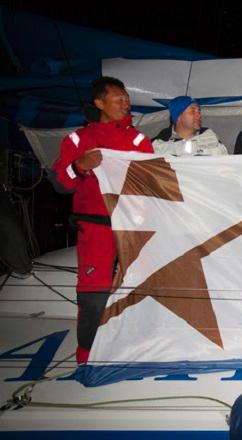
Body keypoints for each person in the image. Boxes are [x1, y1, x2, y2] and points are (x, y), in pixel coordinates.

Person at [49, 76, 154, 364]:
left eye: (127, 98)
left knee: (137, 290)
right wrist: (79, 166)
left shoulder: (138, 140)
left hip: (132, 228)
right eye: (118, 98)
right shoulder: (77, 140)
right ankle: (87, 357)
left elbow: (152, 184)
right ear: (100, 102)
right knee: (94, 294)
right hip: (95, 228)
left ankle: (135, 351)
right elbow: (60, 183)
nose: (126, 103)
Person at [152, 95, 228, 156]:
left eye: (199, 111)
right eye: (193, 111)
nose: (199, 115)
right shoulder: (159, 145)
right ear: (178, 116)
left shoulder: (213, 142)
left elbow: (226, 169)